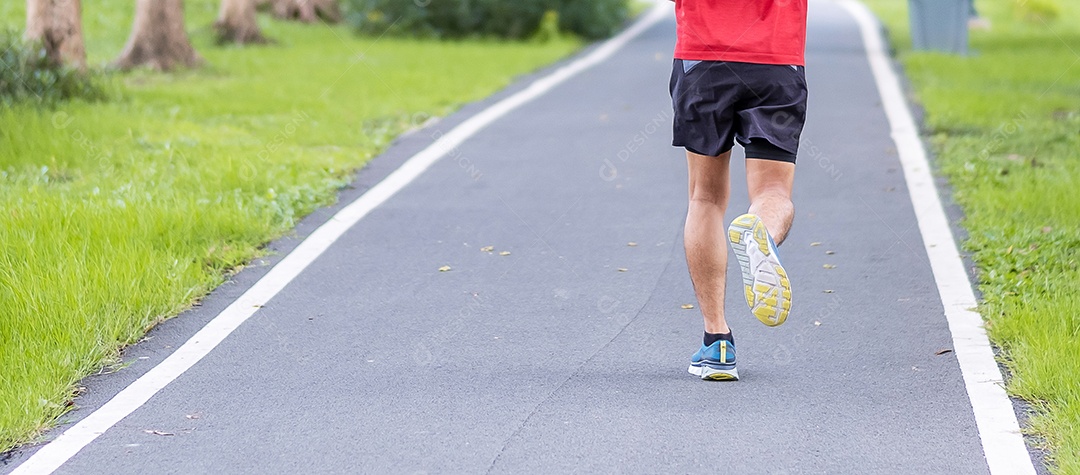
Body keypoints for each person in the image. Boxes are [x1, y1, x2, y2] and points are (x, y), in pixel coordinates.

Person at [669, 0, 808, 380]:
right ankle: (761, 235)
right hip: (777, 61)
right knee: (773, 190)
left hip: (702, 58)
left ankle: (717, 341)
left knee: (705, 197)